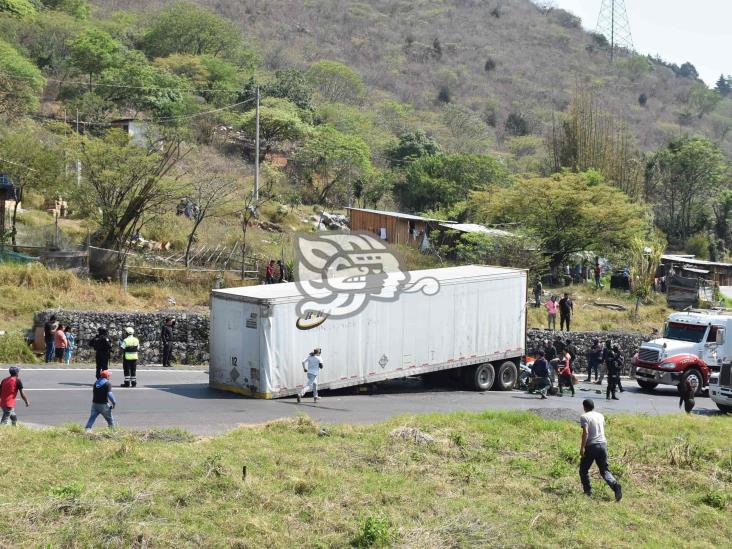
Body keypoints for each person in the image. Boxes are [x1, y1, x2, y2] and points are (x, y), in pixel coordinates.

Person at [579, 399, 622, 501]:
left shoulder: (584, 417)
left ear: (584, 407)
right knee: (604, 470)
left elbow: (585, 432)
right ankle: (615, 486)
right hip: (603, 445)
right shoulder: (600, 415)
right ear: (593, 406)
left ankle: (587, 491)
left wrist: (582, 448)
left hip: (591, 446)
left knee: (583, 470)